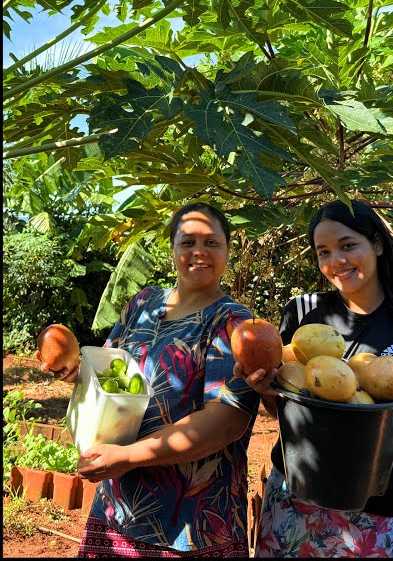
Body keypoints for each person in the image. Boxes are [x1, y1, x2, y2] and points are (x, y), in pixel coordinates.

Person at [237, 199, 393, 558]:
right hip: (296, 496)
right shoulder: (302, 311)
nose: (336, 261)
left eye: (348, 245)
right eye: (324, 252)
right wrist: (264, 390)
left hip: (374, 506)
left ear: (378, 244)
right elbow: (286, 409)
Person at [56, 203, 262, 557]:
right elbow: (110, 372)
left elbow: (226, 422)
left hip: (191, 528)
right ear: (172, 250)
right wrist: (79, 374)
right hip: (118, 510)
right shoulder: (142, 303)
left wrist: (129, 456)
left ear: (228, 249)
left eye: (211, 242)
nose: (199, 252)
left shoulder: (234, 322)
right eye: (187, 242)